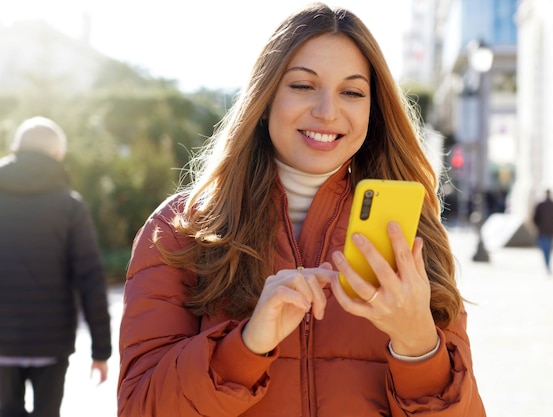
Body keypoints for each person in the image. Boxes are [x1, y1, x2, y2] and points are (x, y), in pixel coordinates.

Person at [117, 3, 485, 416]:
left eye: (352, 92)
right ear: (266, 95)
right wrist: (247, 347)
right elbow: (139, 408)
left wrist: (419, 345)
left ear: (373, 110)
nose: (327, 111)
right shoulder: (179, 230)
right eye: (303, 86)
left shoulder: (412, 232)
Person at [0, 117, 112, 417]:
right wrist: (101, 350)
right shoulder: (69, 206)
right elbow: (90, 279)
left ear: (15, 149)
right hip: (52, 342)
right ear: (57, 155)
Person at [532, 189, 553, 274]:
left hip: (542, 231)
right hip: (551, 230)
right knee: (549, 249)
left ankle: (547, 264)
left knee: (544, 248)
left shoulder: (540, 205)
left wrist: (539, 226)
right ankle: (547, 264)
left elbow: (535, 218)